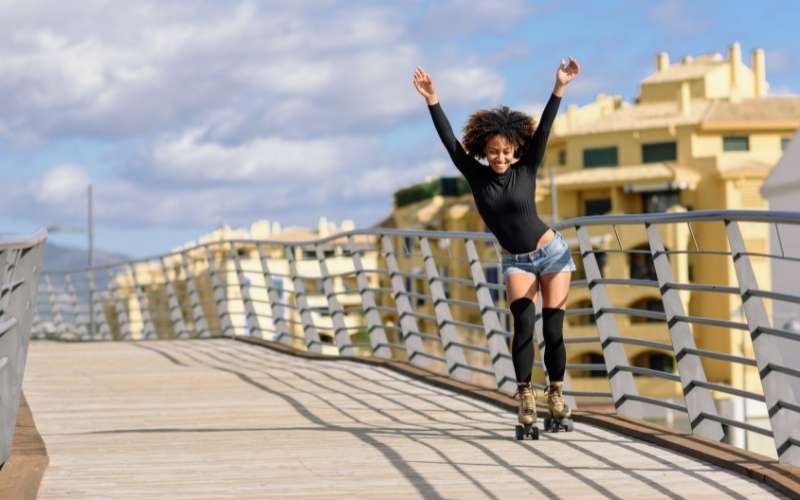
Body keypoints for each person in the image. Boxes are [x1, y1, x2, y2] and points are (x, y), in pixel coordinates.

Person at [412, 58, 580, 429]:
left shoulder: (527, 167)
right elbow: (449, 143)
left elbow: (547, 127)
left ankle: (555, 393)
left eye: (506, 151)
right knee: (523, 328)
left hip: (551, 254)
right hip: (517, 261)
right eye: (494, 152)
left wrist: (560, 86)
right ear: (484, 151)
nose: (500, 157)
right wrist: (432, 100)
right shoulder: (476, 176)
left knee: (553, 330)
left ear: (516, 150)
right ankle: (525, 399)